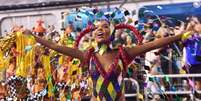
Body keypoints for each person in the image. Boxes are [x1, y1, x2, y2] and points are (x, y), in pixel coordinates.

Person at [23, 19, 187, 101]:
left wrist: (181, 35)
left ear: (112, 31)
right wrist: (35, 38)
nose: (100, 29)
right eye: (96, 28)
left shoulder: (124, 53)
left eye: (105, 26)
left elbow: (154, 44)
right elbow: (56, 47)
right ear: (92, 34)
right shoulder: (87, 55)